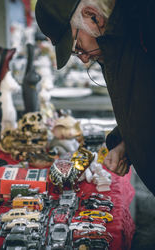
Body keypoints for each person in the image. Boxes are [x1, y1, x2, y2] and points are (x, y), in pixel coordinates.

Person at [35, 0, 155, 196]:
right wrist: (126, 141)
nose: (83, 58)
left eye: (78, 47)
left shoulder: (145, 25)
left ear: (94, 16)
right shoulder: (112, 43)